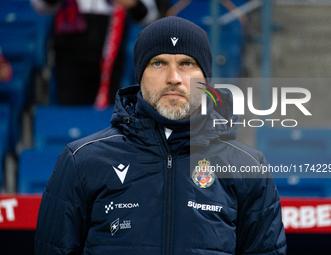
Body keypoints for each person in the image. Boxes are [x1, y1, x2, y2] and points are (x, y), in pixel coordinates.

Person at [34, 16, 287, 254]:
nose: (173, 78)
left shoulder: (249, 168)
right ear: (139, 76)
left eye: (187, 64)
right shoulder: (82, 161)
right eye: (158, 63)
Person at [30, 0, 159, 105]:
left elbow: (149, 15)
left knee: (109, 113)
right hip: (69, 48)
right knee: (69, 112)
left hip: (111, 47)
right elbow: (40, 6)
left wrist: (133, 4)